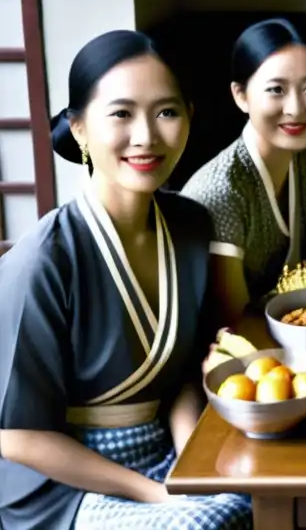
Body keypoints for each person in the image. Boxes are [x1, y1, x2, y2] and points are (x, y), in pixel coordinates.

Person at [0, 30, 251, 530]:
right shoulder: (44, 258)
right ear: (78, 128)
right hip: (63, 486)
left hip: (162, 452)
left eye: (166, 112)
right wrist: (158, 495)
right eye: (121, 114)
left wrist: (190, 463)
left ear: (189, 118)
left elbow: (181, 375)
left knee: (270, 501)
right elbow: (17, 438)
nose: (146, 136)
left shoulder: (190, 224)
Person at [182, 18, 306, 317]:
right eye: (276, 90)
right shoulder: (221, 191)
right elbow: (233, 317)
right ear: (241, 96)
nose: (295, 108)